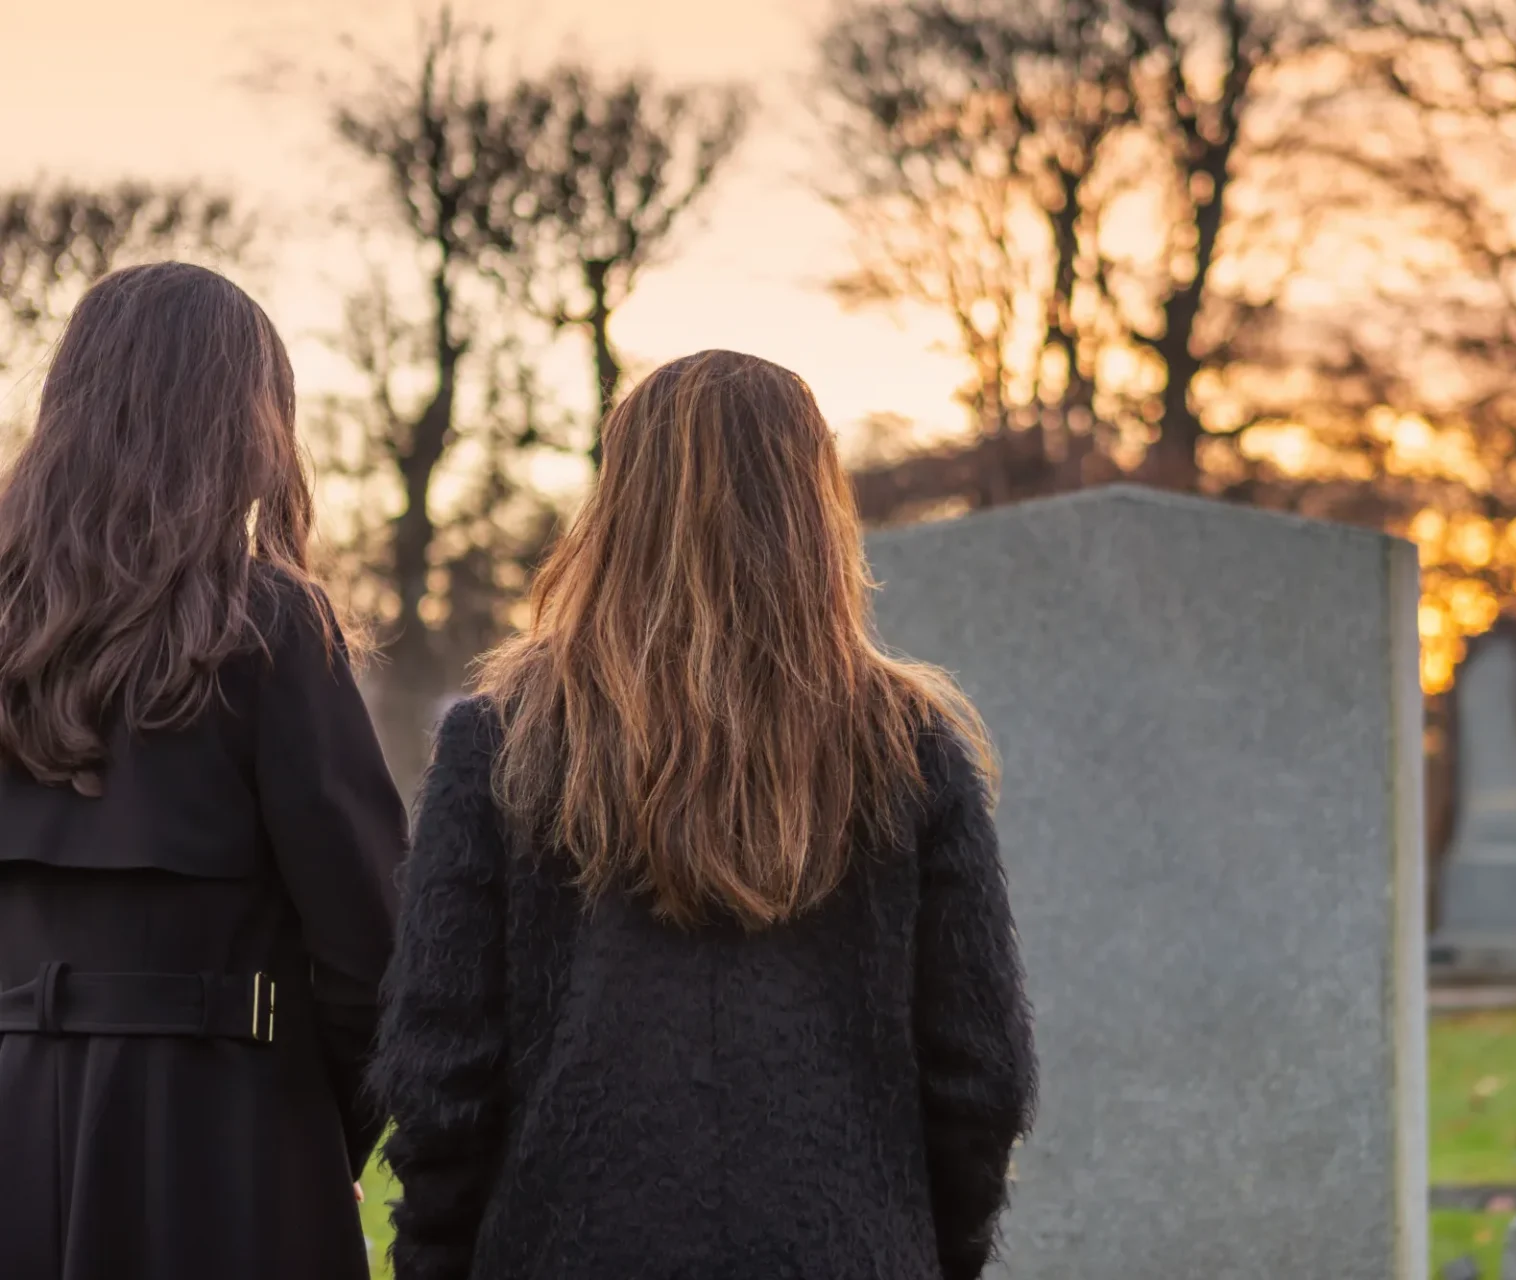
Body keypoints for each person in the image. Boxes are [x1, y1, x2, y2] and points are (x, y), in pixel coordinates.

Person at [376, 349, 1037, 1280]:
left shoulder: (505, 743)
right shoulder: (909, 750)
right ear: (816, 513)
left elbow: (441, 1081)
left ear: (617, 510)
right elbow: (981, 1080)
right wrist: (933, 1252)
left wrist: (435, 1262)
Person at [0, 263, 407, 1280]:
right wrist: (322, 1136)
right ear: (247, 424)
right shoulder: (270, 626)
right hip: (222, 1133)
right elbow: (372, 951)